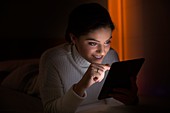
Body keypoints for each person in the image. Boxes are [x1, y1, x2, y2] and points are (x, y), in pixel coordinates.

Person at [38, 3, 138, 113]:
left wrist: (131, 100)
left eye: (107, 42)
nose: (102, 51)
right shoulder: (52, 59)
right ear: (74, 38)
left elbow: (113, 102)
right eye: (92, 43)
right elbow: (51, 110)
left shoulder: (111, 55)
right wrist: (82, 85)